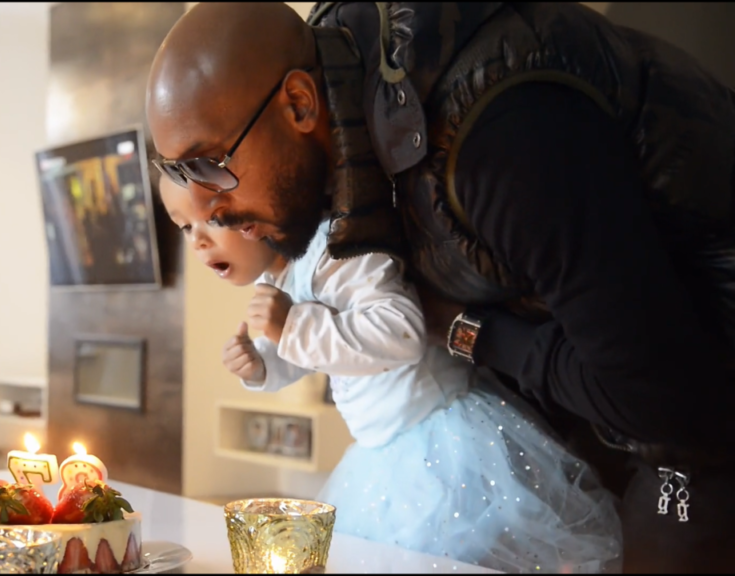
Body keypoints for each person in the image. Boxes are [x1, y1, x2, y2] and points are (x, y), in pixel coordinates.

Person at [145, 3, 735, 573]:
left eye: (209, 165)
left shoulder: (501, 145)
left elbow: (664, 407)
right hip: (594, 383)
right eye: (181, 178)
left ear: (299, 103)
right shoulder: (350, 102)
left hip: (695, 398)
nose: (209, 211)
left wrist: (463, 330)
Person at [158, 177, 622, 573]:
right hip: (381, 455)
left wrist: (291, 326)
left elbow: (400, 332)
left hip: (443, 441)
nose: (197, 240)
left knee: (458, 555)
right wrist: (263, 364)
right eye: (184, 227)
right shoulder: (279, 279)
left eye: (213, 218)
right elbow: (322, 350)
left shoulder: (336, 248)